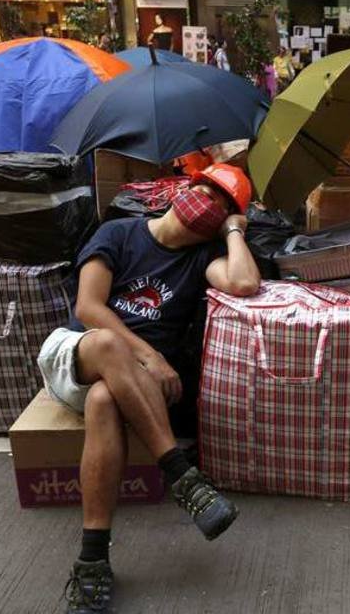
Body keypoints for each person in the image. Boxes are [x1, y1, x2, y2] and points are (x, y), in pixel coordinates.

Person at [40, 164, 261, 613]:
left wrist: (235, 231)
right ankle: (182, 475)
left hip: (128, 387)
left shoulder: (205, 257)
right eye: (208, 192)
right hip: (77, 355)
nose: (210, 205)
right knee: (106, 344)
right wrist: (150, 356)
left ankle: (92, 559)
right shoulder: (120, 232)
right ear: (184, 189)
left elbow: (243, 283)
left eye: (223, 207)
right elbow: (88, 307)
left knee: (106, 399)